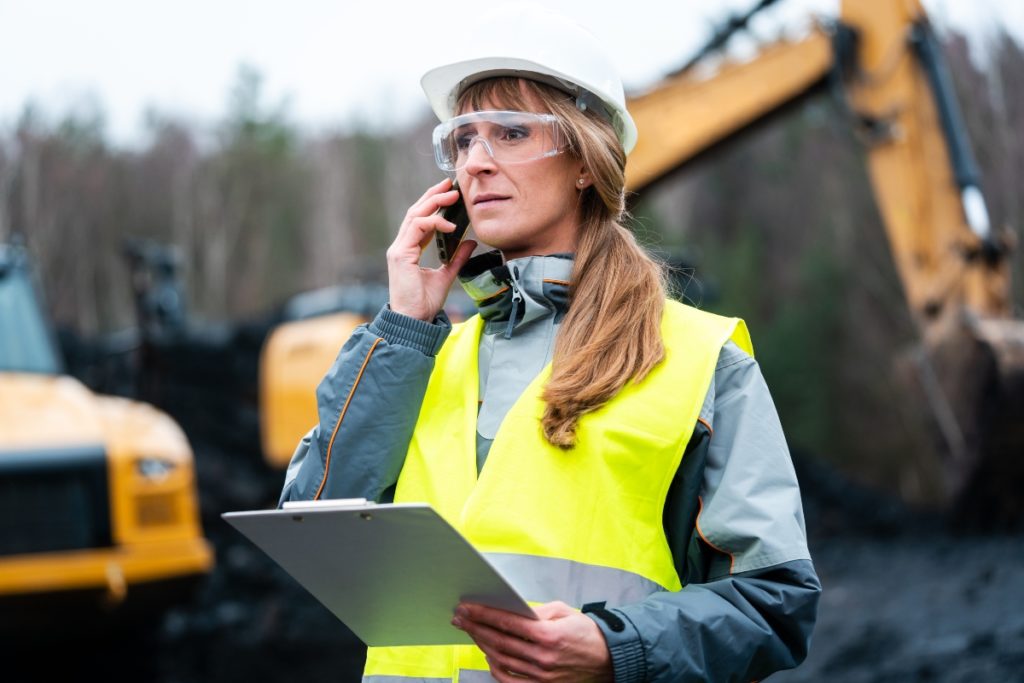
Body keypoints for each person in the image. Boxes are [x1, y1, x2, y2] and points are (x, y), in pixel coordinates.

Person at [280, 5, 820, 681]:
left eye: (509, 132)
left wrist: (611, 646)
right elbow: (311, 521)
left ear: (586, 161)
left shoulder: (698, 363)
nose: (476, 162)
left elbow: (775, 603)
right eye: (463, 140)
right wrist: (403, 325)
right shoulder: (419, 354)